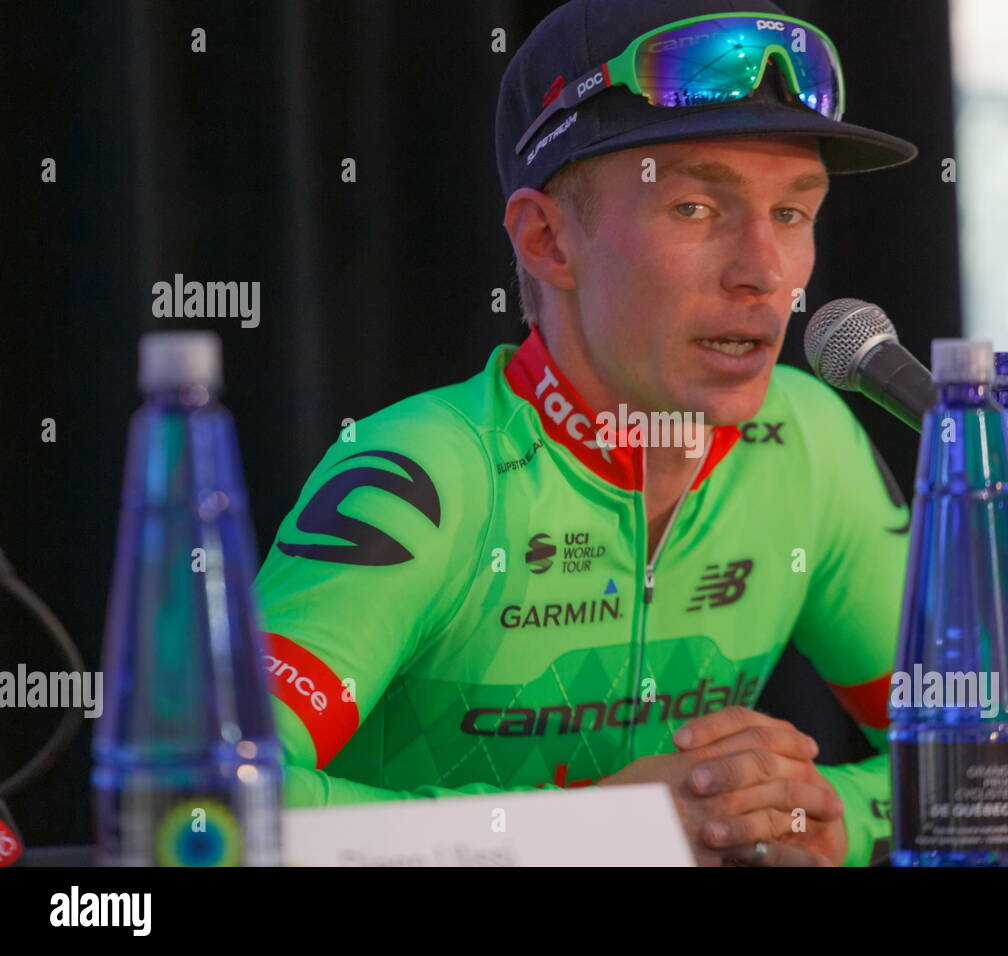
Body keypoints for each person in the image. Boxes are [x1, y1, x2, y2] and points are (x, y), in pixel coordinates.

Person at [254, 0, 918, 867]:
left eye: (793, 213)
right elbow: (198, 809)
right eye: (694, 208)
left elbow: (1002, 758)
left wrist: (837, 812)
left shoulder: (810, 439)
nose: (766, 273)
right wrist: (584, 833)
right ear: (546, 241)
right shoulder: (427, 474)